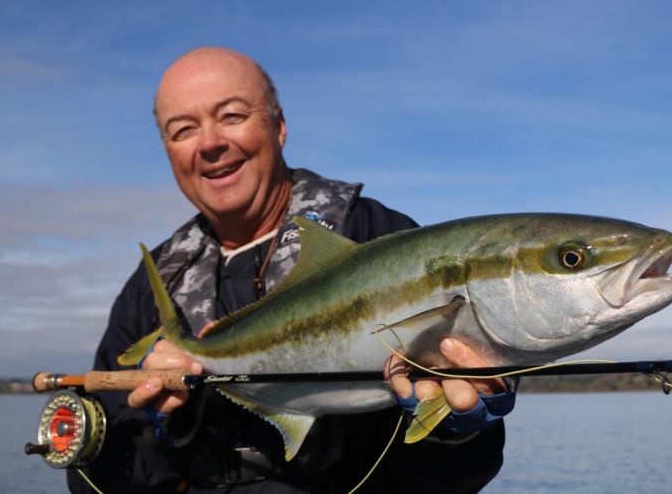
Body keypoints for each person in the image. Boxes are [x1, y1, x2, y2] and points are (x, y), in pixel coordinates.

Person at [67, 47, 516, 494]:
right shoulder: (154, 284)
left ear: (278, 127)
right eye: (183, 130)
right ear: (169, 152)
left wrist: (457, 431)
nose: (209, 144)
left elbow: (452, 477)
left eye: (232, 115)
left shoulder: (377, 237)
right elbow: (91, 478)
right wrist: (157, 429)